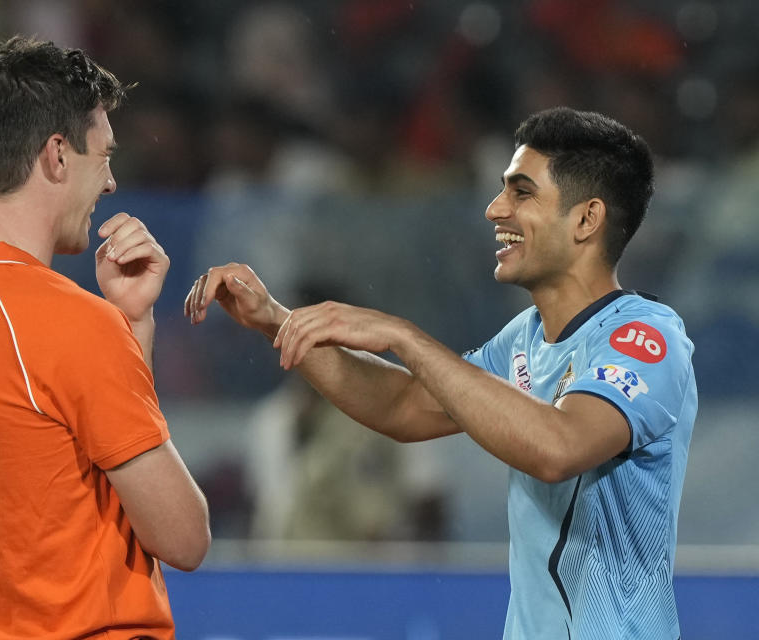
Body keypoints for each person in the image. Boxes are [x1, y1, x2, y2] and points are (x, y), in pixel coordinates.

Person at [186, 107, 697, 639]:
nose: (494, 209)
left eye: (522, 193)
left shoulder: (645, 337)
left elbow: (558, 449)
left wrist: (404, 337)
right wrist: (277, 321)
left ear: (587, 219)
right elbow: (402, 407)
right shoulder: (524, 337)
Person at [0, 36, 209, 640]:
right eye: (104, 156)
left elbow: (44, 480)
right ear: (57, 156)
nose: (111, 182)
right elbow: (184, 536)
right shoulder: (71, 322)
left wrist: (130, 327)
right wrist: (118, 330)